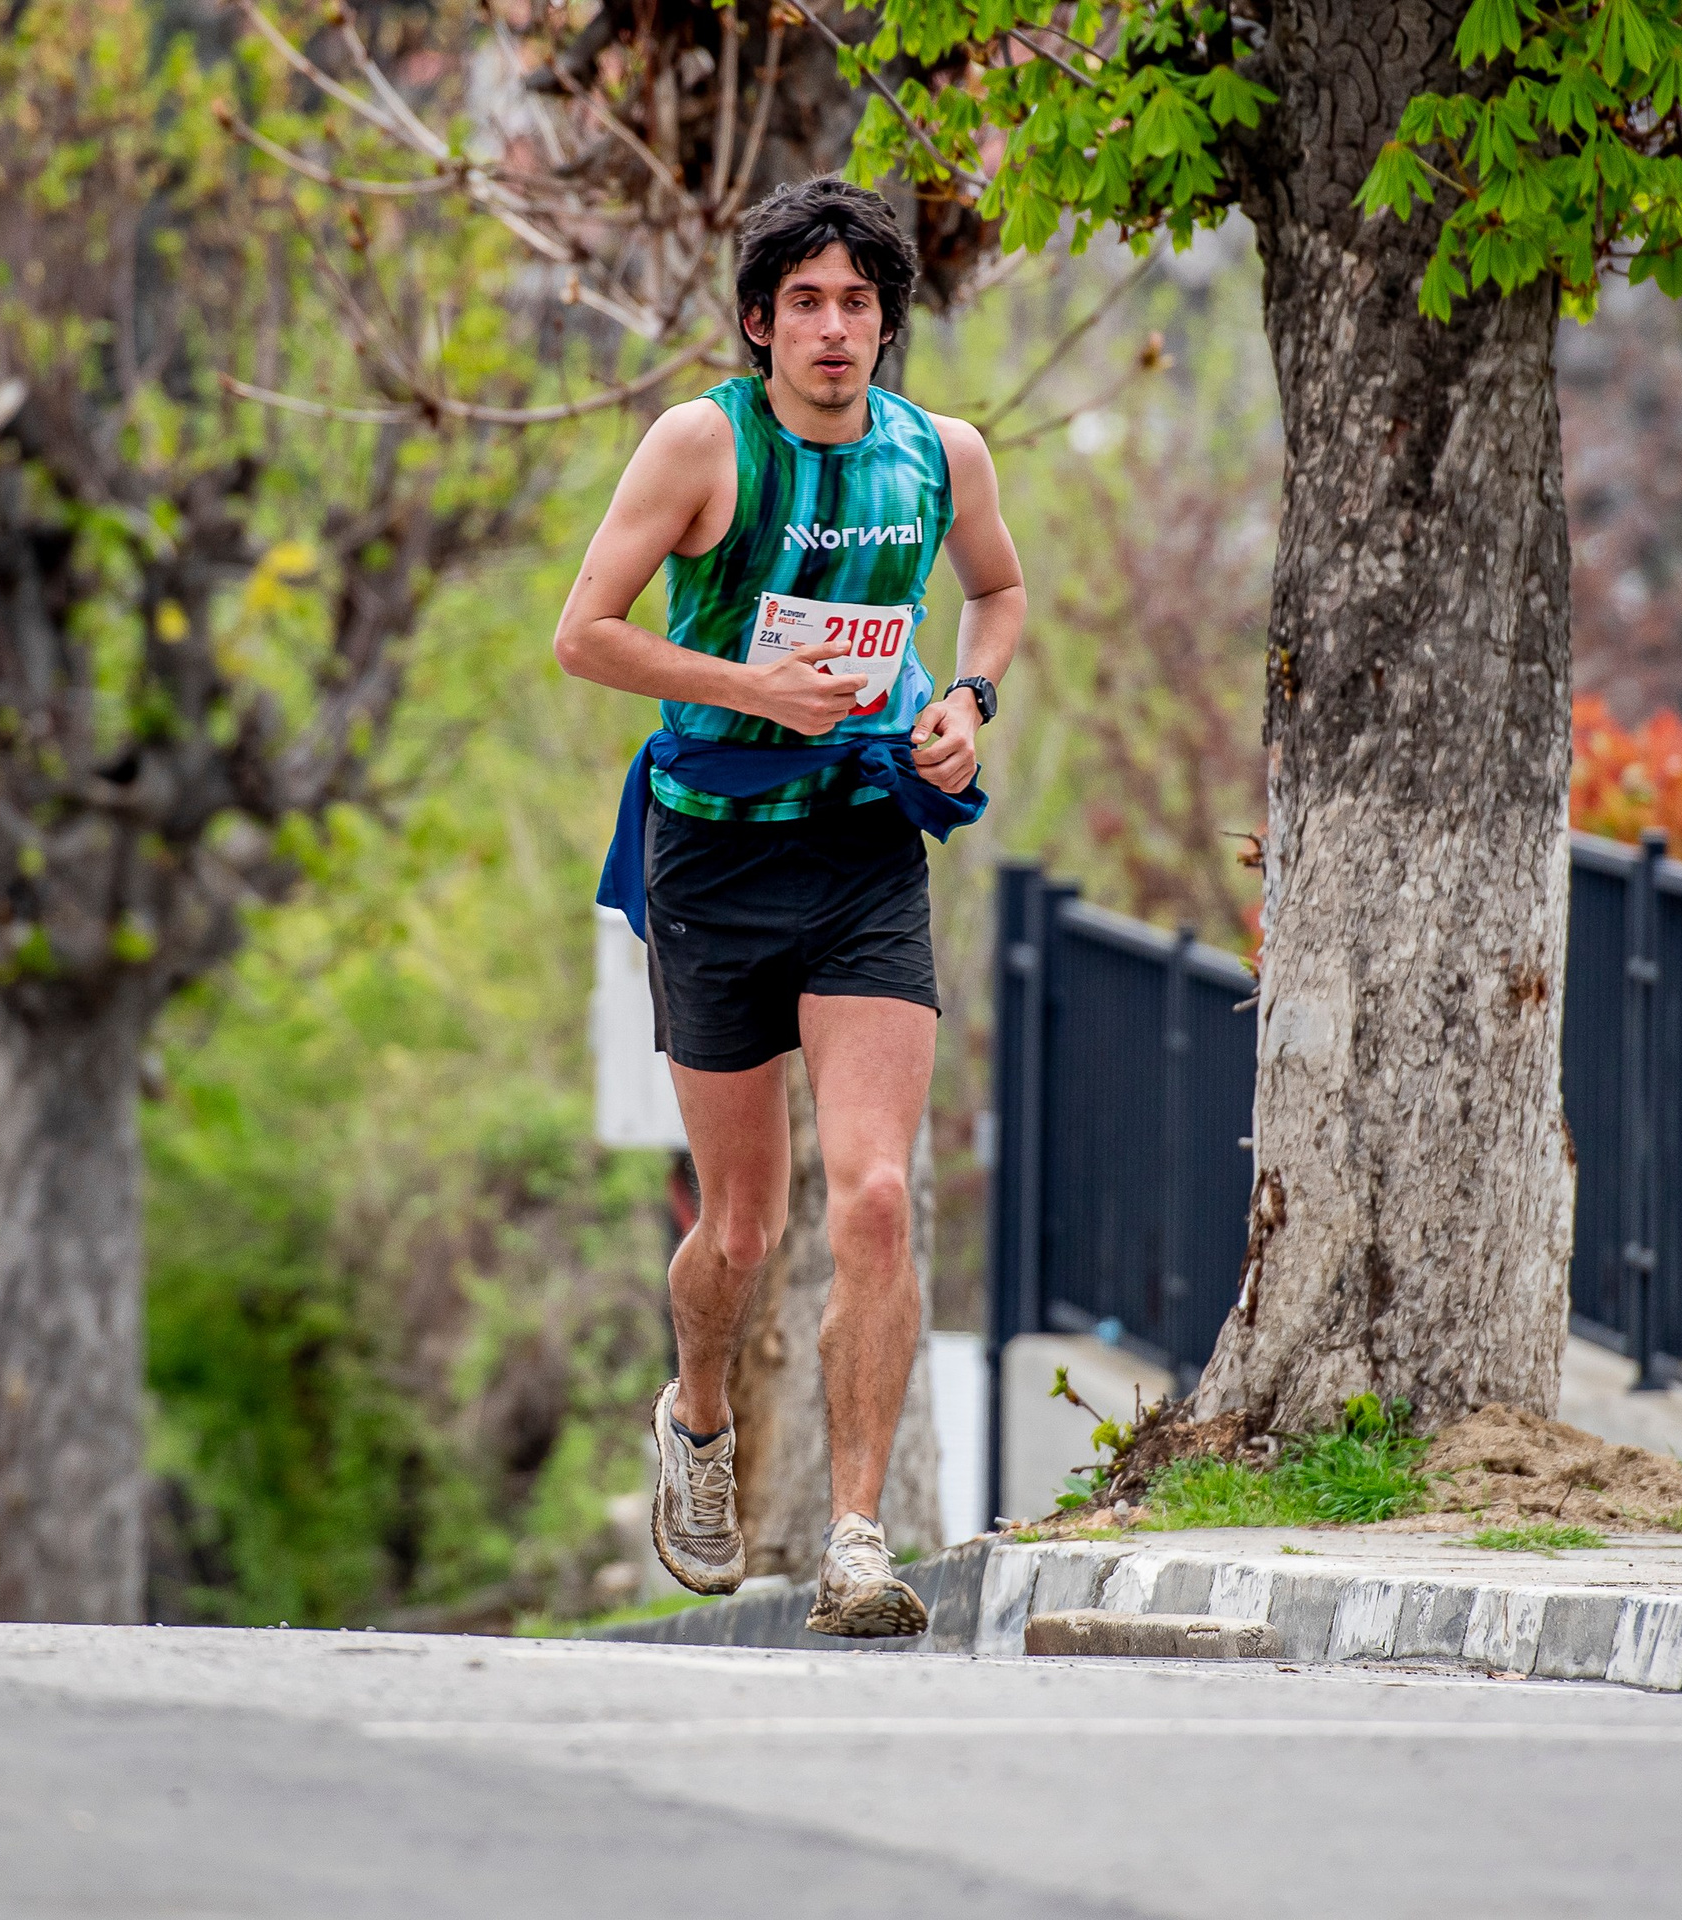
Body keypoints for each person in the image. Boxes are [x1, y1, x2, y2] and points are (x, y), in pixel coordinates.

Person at [554, 177, 1024, 1636]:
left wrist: (966, 700)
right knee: (746, 1228)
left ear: (890, 326)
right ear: (760, 323)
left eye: (859, 306)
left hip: (865, 844)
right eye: (805, 304)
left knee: (876, 1198)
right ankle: (698, 1421)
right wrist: (749, 687)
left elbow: (996, 596)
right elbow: (586, 635)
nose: (833, 330)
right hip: (714, 858)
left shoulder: (940, 455)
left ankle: (858, 1542)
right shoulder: (704, 446)